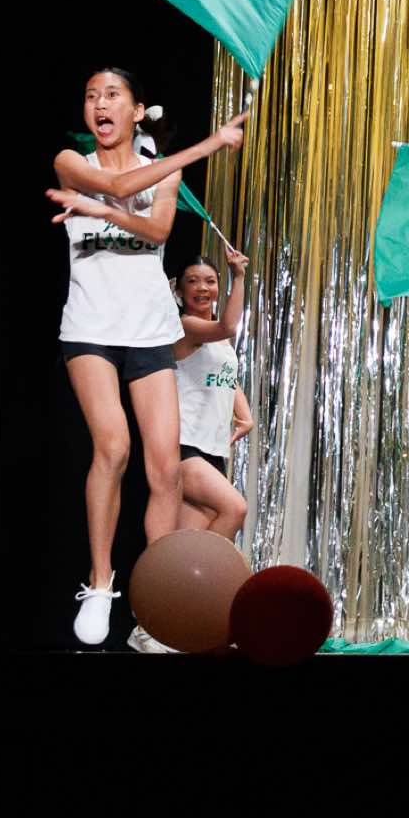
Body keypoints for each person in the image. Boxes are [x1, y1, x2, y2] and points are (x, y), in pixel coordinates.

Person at [50, 68, 246, 645]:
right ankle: (101, 582)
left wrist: (105, 213)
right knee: (113, 446)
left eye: (112, 95)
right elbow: (114, 186)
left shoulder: (163, 168)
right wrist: (208, 145)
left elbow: (159, 230)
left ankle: (154, 607)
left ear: (137, 111)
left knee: (165, 470)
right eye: (91, 96)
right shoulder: (71, 161)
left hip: (149, 331)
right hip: (90, 326)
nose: (99, 104)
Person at [124, 251, 258, 654]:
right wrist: (238, 276)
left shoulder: (217, 340)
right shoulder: (186, 327)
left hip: (212, 451)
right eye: (194, 281)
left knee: (180, 546)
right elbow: (228, 325)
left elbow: (227, 376)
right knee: (234, 508)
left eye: (210, 281)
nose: (203, 287)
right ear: (180, 292)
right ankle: (171, 608)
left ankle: (158, 626)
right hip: (183, 447)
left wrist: (244, 414)